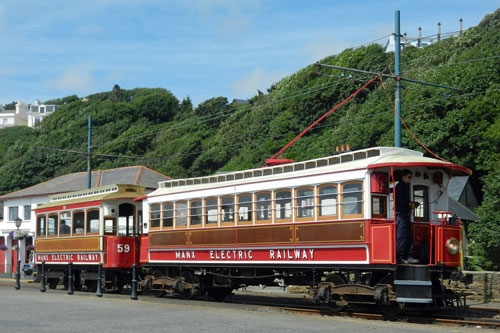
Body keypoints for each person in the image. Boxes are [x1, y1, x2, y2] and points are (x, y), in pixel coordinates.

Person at [395, 169, 419, 264]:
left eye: (411, 177)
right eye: (409, 177)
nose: (410, 179)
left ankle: (408, 255)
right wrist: (410, 204)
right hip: (400, 214)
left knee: (408, 235)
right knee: (401, 235)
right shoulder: (399, 187)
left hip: (405, 214)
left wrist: (411, 204)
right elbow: (399, 202)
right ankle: (399, 257)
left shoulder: (406, 186)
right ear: (403, 177)